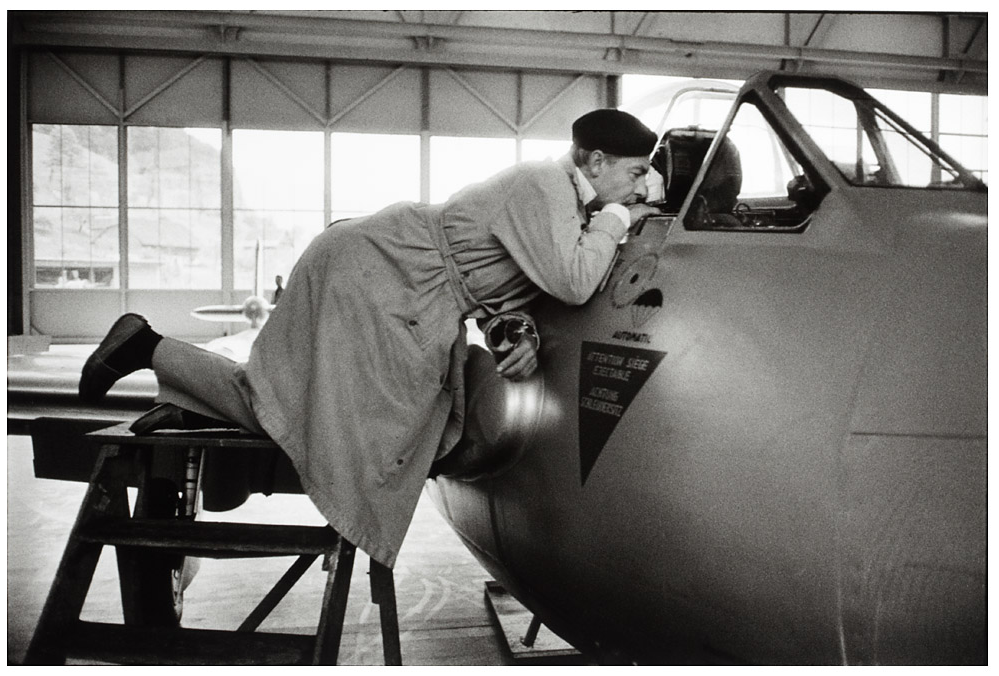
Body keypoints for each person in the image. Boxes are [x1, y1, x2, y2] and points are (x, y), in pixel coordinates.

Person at [78, 109, 660, 568]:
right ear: (597, 160)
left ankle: (165, 374)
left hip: (402, 285)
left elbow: (506, 283)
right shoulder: (545, 184)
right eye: (635, 172)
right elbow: (575, 281)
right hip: (382, 273)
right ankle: (150, 351)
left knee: (301, 403)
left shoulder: (563, 200)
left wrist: (515, 330)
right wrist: (617, 222)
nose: (640, 187)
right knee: (309, 410)